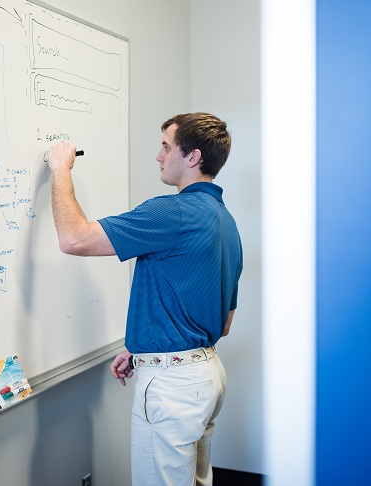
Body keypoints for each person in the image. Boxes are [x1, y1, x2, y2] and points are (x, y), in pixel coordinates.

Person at [46, 112, 243, 486]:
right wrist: (146, 346)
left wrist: (60, 169)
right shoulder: (225, 221)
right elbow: (224, 323)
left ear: (193, 157)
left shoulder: (172, 212)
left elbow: (74, 239)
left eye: (166, 147)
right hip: (207, 375)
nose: (158, 156)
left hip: (174, 388)